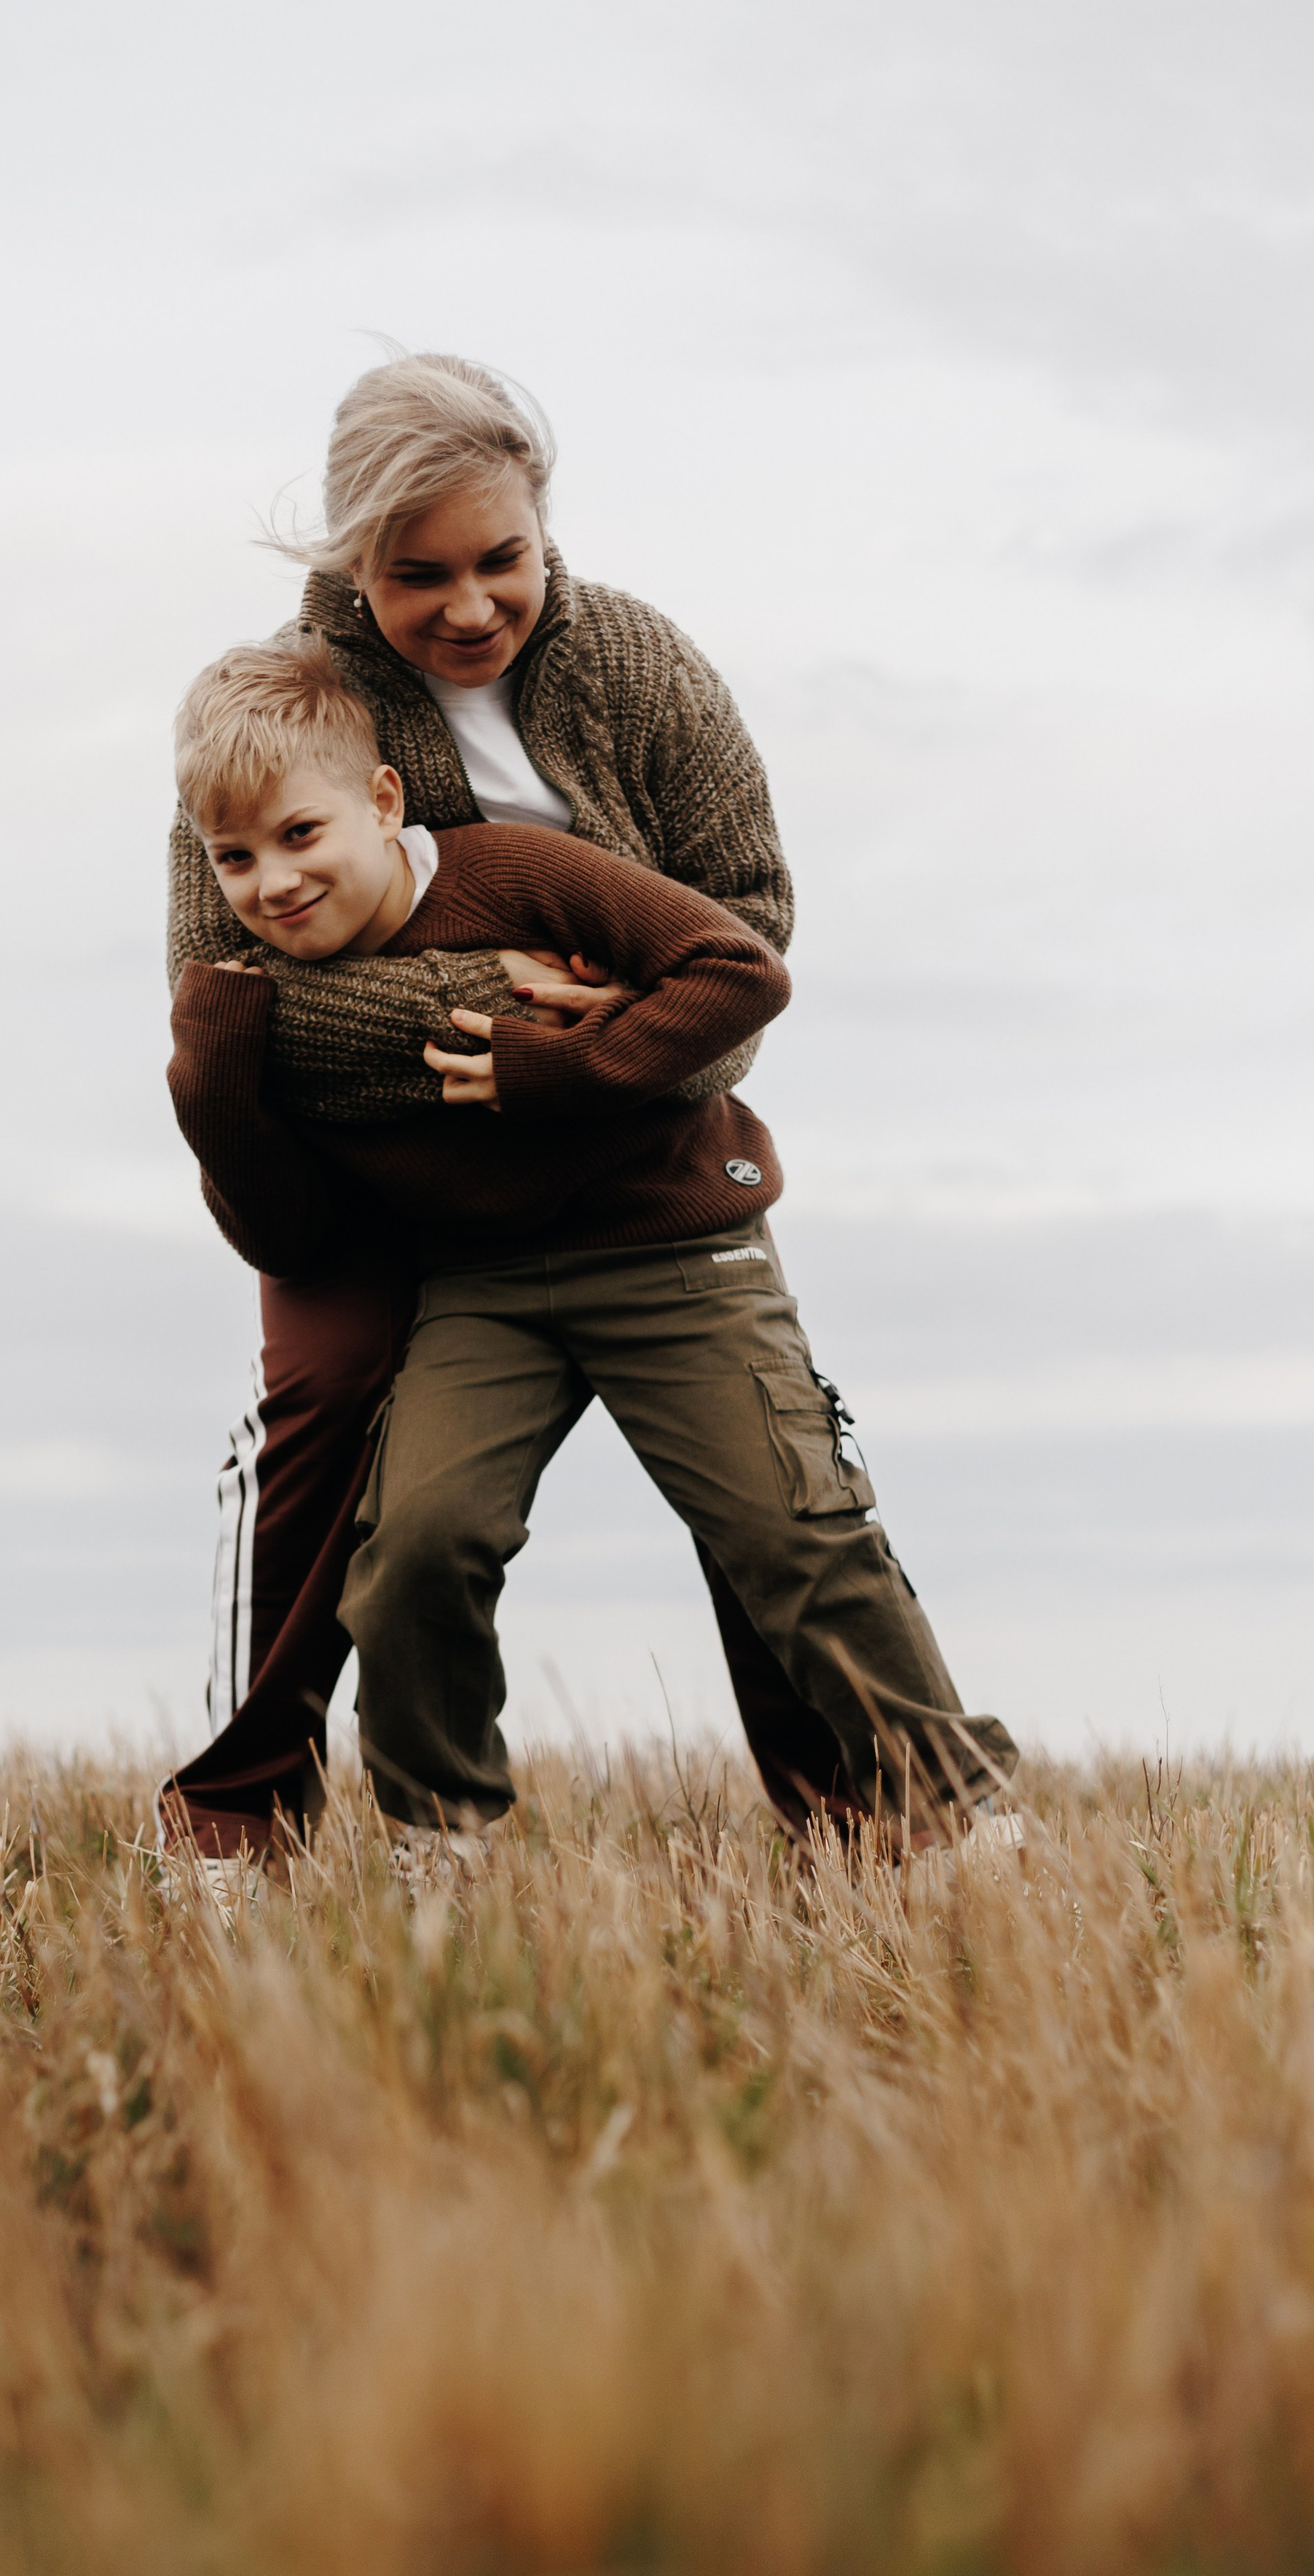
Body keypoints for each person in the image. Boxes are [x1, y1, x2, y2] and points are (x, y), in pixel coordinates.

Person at [160, 350, 912, 1855]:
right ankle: (244, 1816)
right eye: (414, 572)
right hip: (369, 1180)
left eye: (497, 558)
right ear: (350, 561)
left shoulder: (633, 663)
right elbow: (226, 991)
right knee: (322, 1425)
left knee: (753, 1490)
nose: (465, 603)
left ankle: (854, 1819)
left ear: (541, 526)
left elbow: (742, 921)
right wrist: (503, 1003)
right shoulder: (280, 711)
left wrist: (616, 1041)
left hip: (624, 1141)